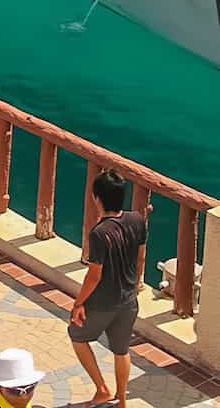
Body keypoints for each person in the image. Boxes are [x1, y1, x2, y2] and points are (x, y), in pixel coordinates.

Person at [69, 170, 148, 408]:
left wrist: (78, 303)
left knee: (77, 335)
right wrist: (133, 286)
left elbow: (94, 276)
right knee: (121, 350)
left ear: (97, 198)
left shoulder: (99, 233)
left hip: (103, 301)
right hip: (128, 300)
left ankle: (102, 389)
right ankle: (121, 401)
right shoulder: (137, 220)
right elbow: (140, 258)